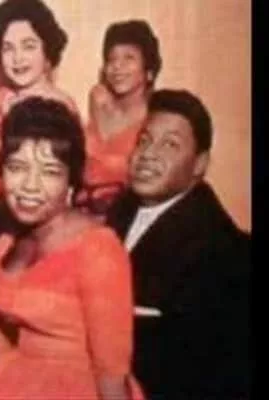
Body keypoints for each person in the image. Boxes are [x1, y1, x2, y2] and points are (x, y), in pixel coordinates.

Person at [0, 97, 144, 400]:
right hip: (14, 376)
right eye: (17, 167)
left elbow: (112, 377)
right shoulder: (8, 239)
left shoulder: (99, 249)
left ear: (71, 182)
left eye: (49, 172)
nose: (30, 186)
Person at [106, 89, 250, 399]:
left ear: (199, 164)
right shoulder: (119, 211)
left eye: (170, 144)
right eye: (144, 140)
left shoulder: (220, 250)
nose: (148, 153)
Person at [0, 0, 79, 195]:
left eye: (28, 46)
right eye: (8, 48)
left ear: (47, 50)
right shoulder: (2, 96)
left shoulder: (60, 106)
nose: (17, 58)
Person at [81, 20, 161, 212]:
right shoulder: (98, 101)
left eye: (129, 58)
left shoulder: (154, 118)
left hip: (125, 213)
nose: (117, 66)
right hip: (81, 208)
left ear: (148, 71)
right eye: (112, 59)